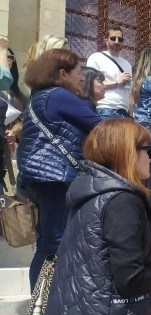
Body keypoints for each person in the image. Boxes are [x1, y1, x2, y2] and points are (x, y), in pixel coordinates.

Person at [42, 119, 151, 315]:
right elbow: (130, 278)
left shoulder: (92, 194)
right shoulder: (121, 201)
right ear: (127, 153)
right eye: (148, 150)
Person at [18, 48, 101, 290]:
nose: (83, 77)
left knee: (47, 243)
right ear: (63, 74)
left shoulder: (39, 97)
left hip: (39, 178)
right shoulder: (59, 95)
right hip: (55, 177)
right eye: (78, 72)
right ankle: (45, 306)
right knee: (55, 244)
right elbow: (101, 126)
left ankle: (39, 305)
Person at [86, 25, 133, 119]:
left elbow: (129, 91)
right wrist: (117, 82)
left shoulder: (127, 64)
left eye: (120, 39)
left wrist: (131, 113)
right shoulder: (96, 58)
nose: (117, 41)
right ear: (106, 41)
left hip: (124, 112)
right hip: (105, 108)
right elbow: (91, 85)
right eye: (113, 38)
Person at [19, 34, 68, 101]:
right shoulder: (28, 74)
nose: (68, 57)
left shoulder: (66, 75)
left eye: (68, 53)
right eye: (63, 53)